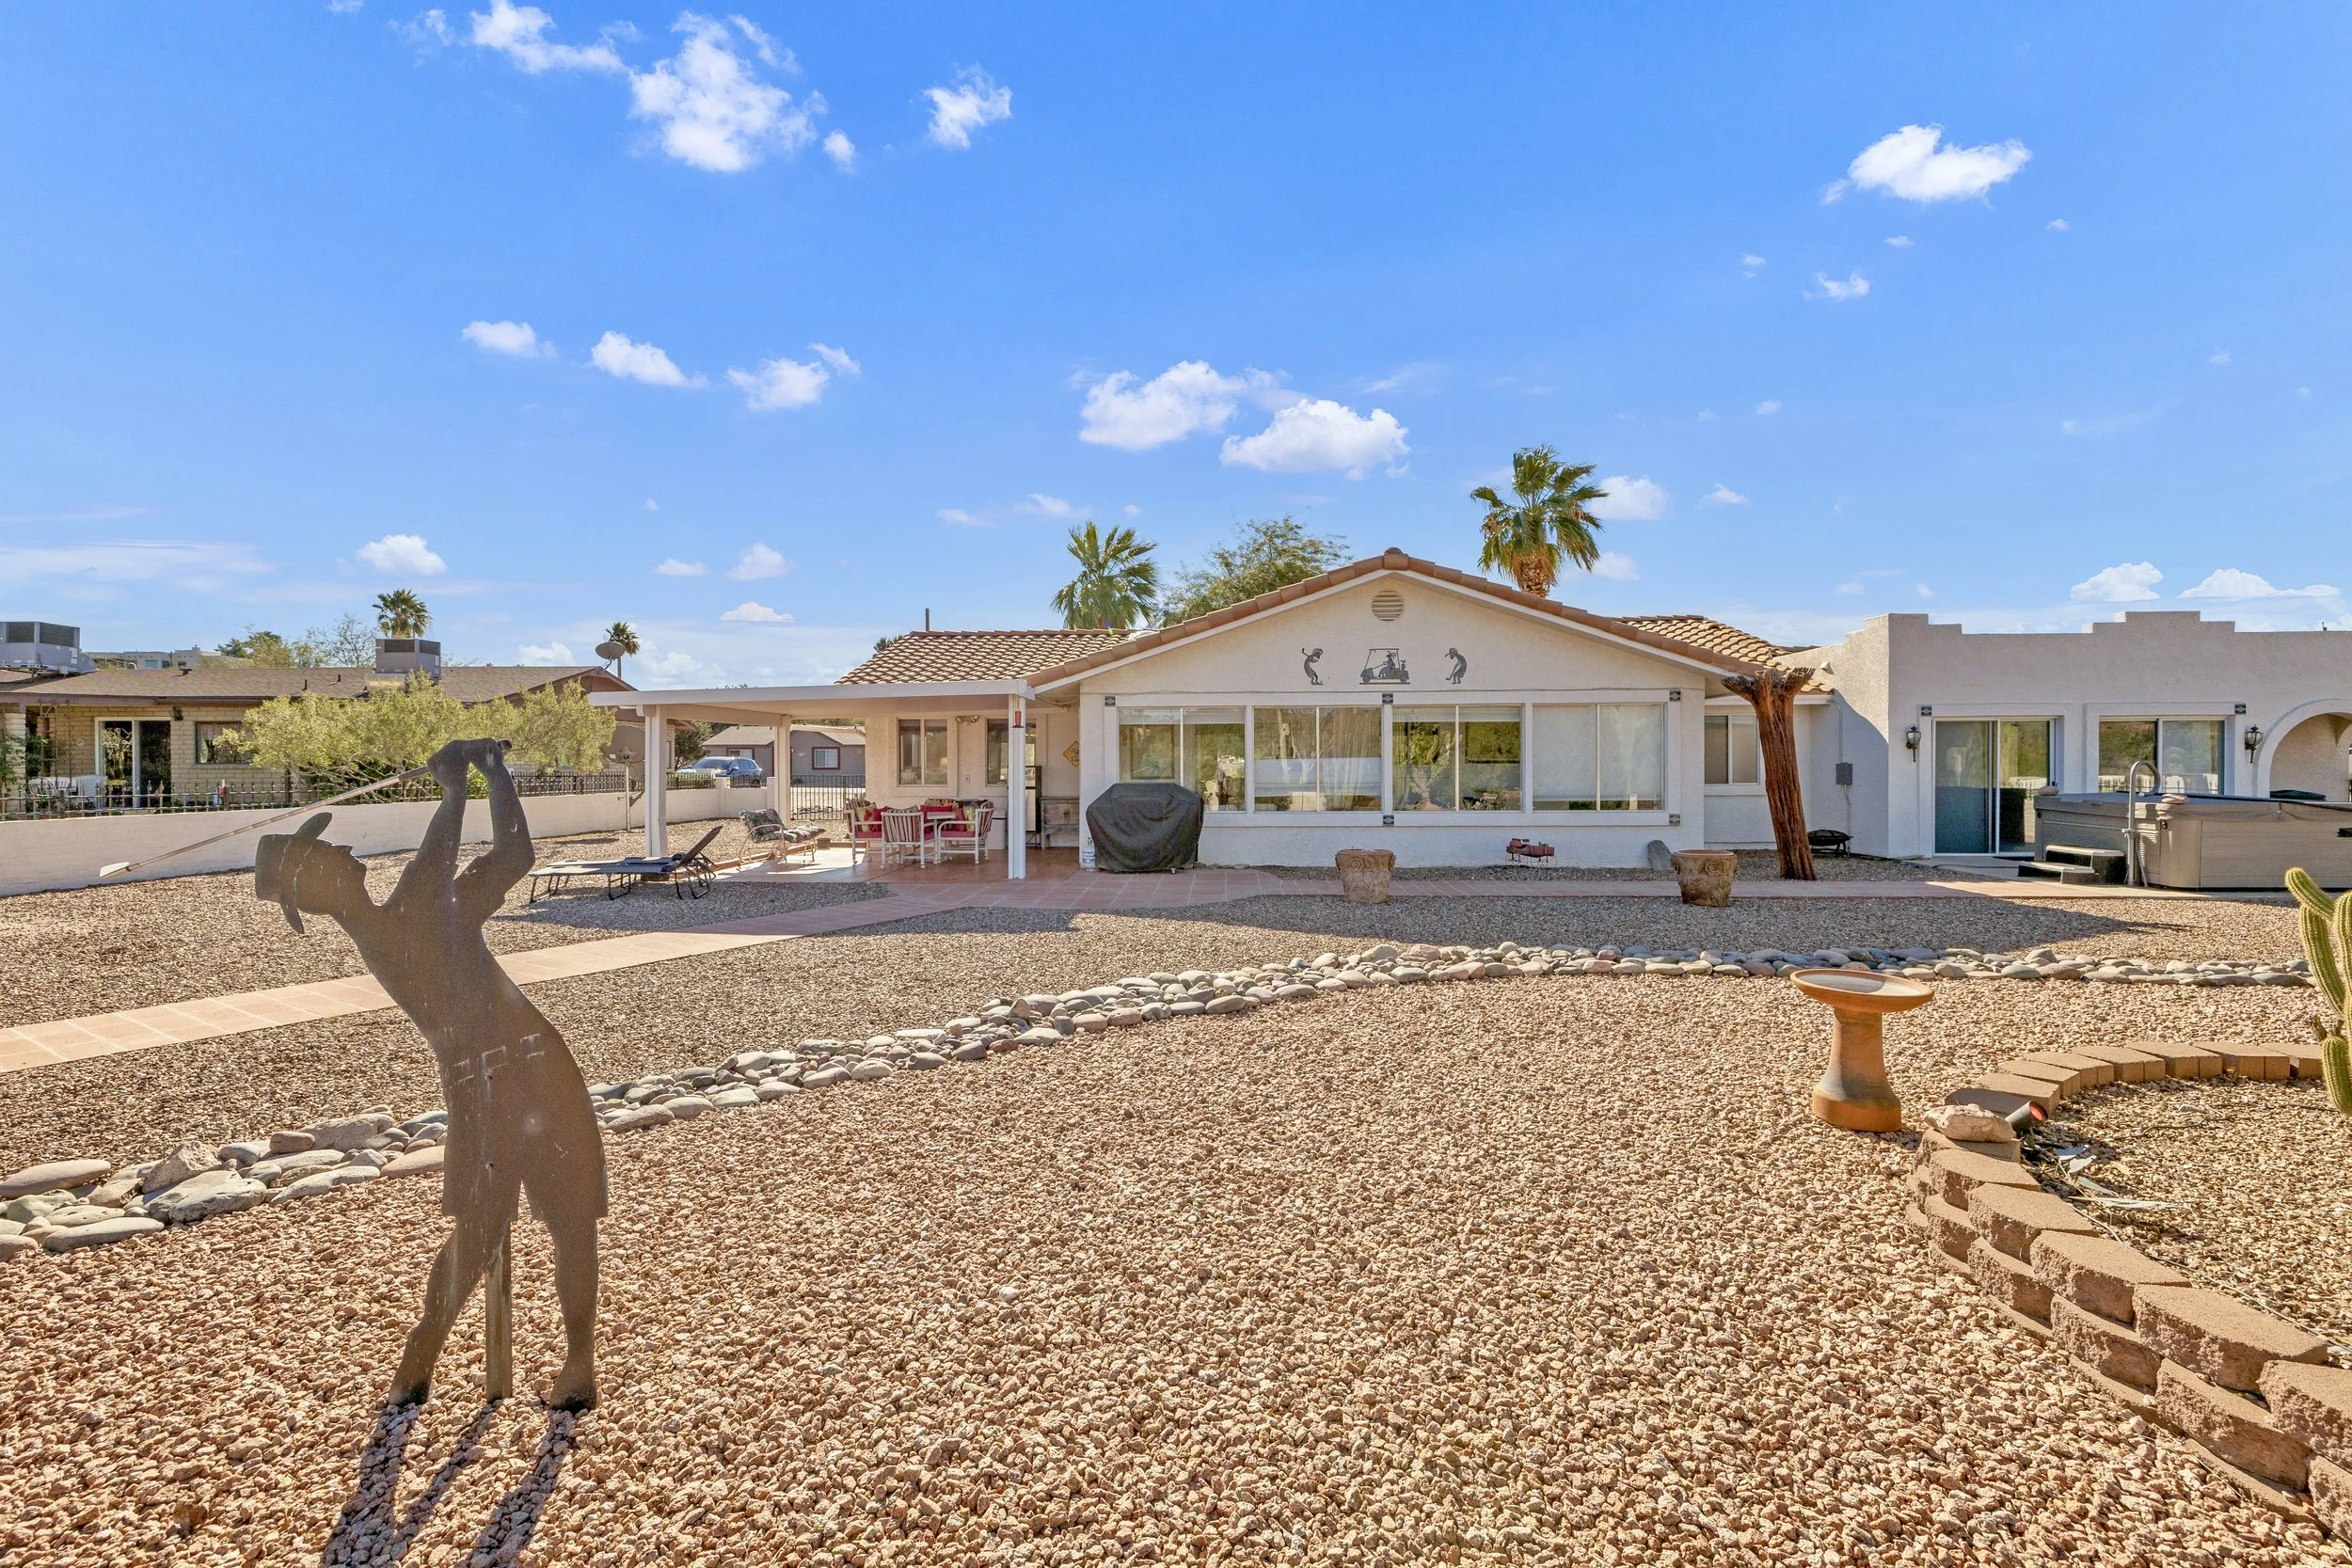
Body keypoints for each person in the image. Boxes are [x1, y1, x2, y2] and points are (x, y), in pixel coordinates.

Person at [254, 738, 603, 1410]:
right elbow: (438, 853)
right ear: (315, 887)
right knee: (476, 1235)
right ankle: (424, 1345)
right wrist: (456, 784)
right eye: (330, 856)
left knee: (570, 1218)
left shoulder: (434, 911)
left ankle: (580, 1360)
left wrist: (495, 776)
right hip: (485, 1091)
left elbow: (514, 857)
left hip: (540, 1066)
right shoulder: (394, 926)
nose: (348, 854)